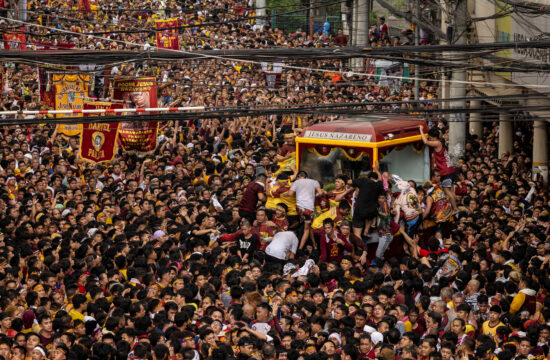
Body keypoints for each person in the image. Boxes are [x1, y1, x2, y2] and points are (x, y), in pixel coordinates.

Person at [419, 125, 457, 212]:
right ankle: (455, 207)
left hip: (445, 170)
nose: (430, 139)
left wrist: (420, 130)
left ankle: (455, 208)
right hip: (449, 169)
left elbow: (425, 141)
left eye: (430, 138)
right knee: (451, 190)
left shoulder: (437, 143)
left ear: (433, 137)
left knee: (447, 191)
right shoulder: (440, 141)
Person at [284, 171, 324, 250]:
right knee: (307, 228)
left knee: (308, 227)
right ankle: (302, 248)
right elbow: (320, 193)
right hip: (309, 209)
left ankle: (309, 246)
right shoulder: (314, 182)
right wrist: (313, 195)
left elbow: (290, 193)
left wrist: (287, 194)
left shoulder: (297, 182)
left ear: (298, 176)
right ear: (306, 176)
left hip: (300, 208)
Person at [348, 161, 384, 239]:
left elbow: (350, 182)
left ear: (369, 177)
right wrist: (377, 169)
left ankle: (362, 249)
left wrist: (352, 184)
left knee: (357, 235)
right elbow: (381, 179)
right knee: (370, 217)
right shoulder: (378, 185)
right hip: (371, 211)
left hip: (360, 210)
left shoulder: (364, 180)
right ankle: (366, 230)